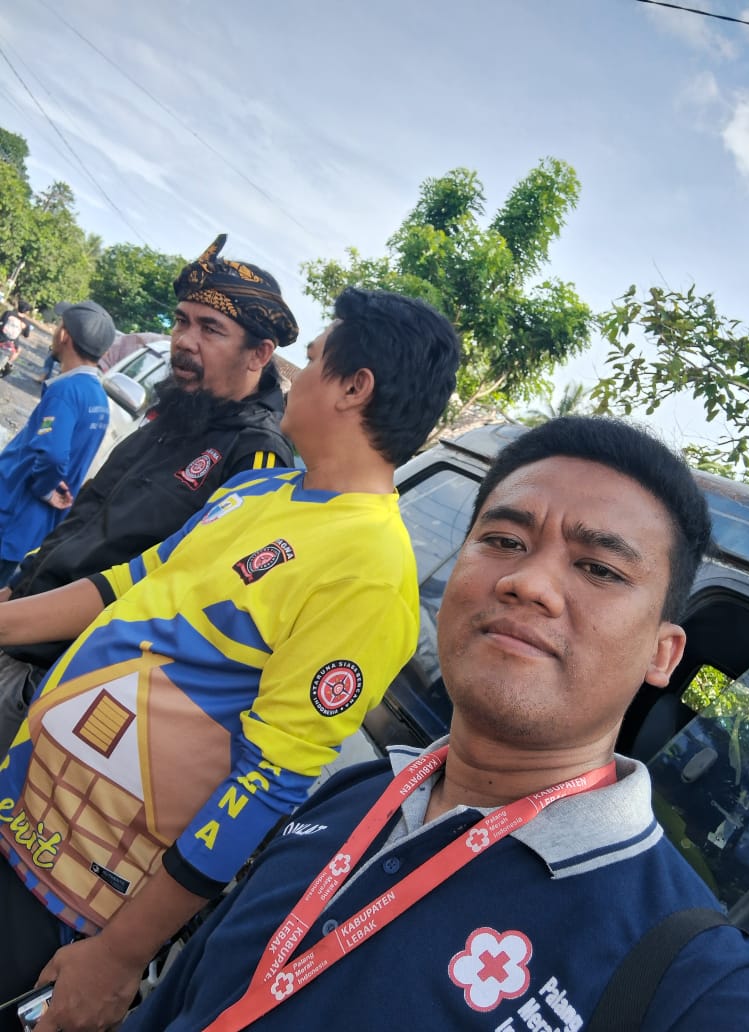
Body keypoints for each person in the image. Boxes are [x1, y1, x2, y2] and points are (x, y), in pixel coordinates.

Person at [121, 416, 749, 1032]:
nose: (528, 582)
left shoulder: (691, 977)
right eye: (504, 541)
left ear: (663, 654)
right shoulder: (361, 794)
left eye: (599, 568)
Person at [0, 285, 461, 1032]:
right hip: (19, 807)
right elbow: (126, 584)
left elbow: (268, 781)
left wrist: (119, 956)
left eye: (313, 358)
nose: (291, 373)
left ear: (354, 386)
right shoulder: (259, 489)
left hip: (78, 889)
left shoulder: (369, 571)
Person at [0, 235, 296, 755]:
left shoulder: (256, 458)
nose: (185, 340)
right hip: (19, 633)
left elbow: (178, 602)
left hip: (65, 687)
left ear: (259, 354)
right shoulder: (177, 413)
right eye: (182, 321)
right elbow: (88, 521)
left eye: (210, 329)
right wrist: (17, 591)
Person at [0, 301, 113, 588]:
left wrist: (45, 488)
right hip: (33, 527)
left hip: (12, 514)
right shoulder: (98, 399)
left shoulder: (66, 391)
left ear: (64, 335)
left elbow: (52, 454)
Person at [0, 299, 32, 377]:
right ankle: (9, 362)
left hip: (1, 336)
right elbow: (26, 335)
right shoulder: (26, 323)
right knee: (18, 350)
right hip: (11, 342)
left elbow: (1, 322)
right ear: (27, 312)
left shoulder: (8, 313)